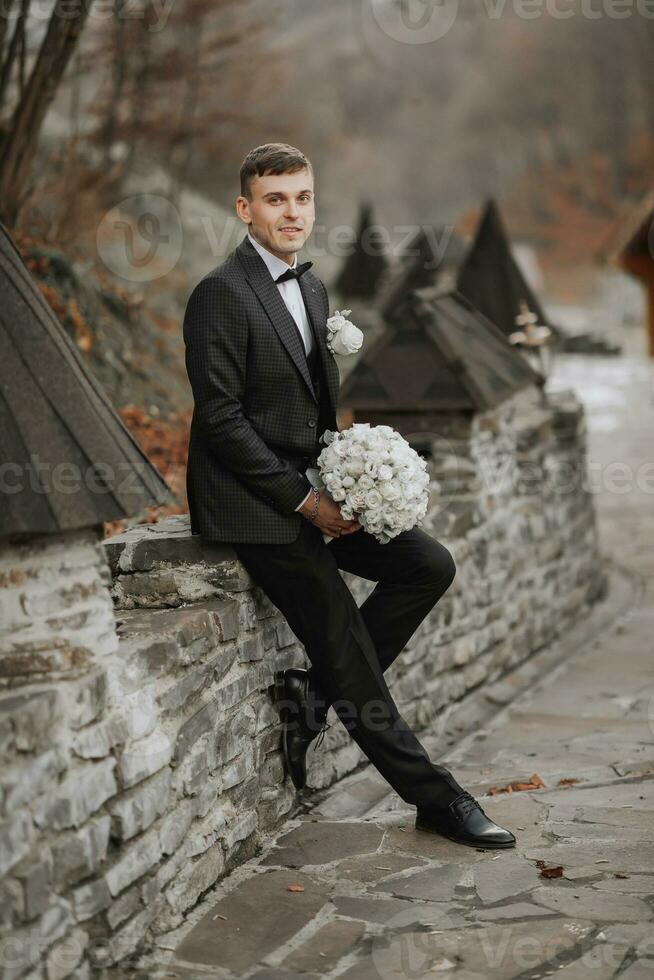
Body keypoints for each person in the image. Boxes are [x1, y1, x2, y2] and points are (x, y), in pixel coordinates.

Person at [182, 142, 515, 849]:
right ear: (245, 209)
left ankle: (312, 697)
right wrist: (306, 506)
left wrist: (353, 469)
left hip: (315, 488)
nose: (292, 211)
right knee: (348, 650)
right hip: (257, 506)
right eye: (275, 199)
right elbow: (220, 419)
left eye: (302, 197)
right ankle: (439, 800)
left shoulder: (314, 289)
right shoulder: (220, 293)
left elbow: (308, 406)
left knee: (429, 564)